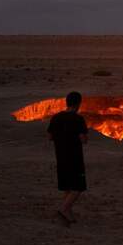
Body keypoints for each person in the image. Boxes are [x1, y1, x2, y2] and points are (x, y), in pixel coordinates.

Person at [47, 91, 88, 226]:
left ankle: (67, 213)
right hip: (74, 158)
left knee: (67, 186)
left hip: (60, 156)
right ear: (78, 104)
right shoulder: (78, 119)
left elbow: (50, 137)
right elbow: (83, 139)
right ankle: (64, 209)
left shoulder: (56, 118)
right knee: (78, 187)